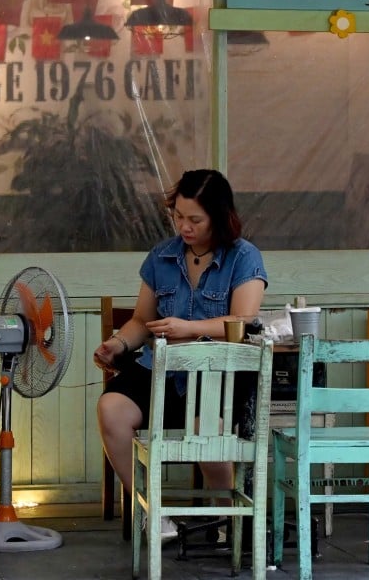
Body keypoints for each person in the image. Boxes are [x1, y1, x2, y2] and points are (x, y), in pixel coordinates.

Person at [94, 169, 268, 540]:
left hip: (218, 374)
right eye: (178, 216)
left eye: (195, 220)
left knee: (207, 429)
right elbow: (143, 319)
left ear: (219, 218)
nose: (184, 227)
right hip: (163, 370)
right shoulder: (162, 256)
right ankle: (153, 513)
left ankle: (227, 519)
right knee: (111, 408)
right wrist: (119, 344)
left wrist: (188, 329)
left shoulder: (244, 257)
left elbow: (244, 320)